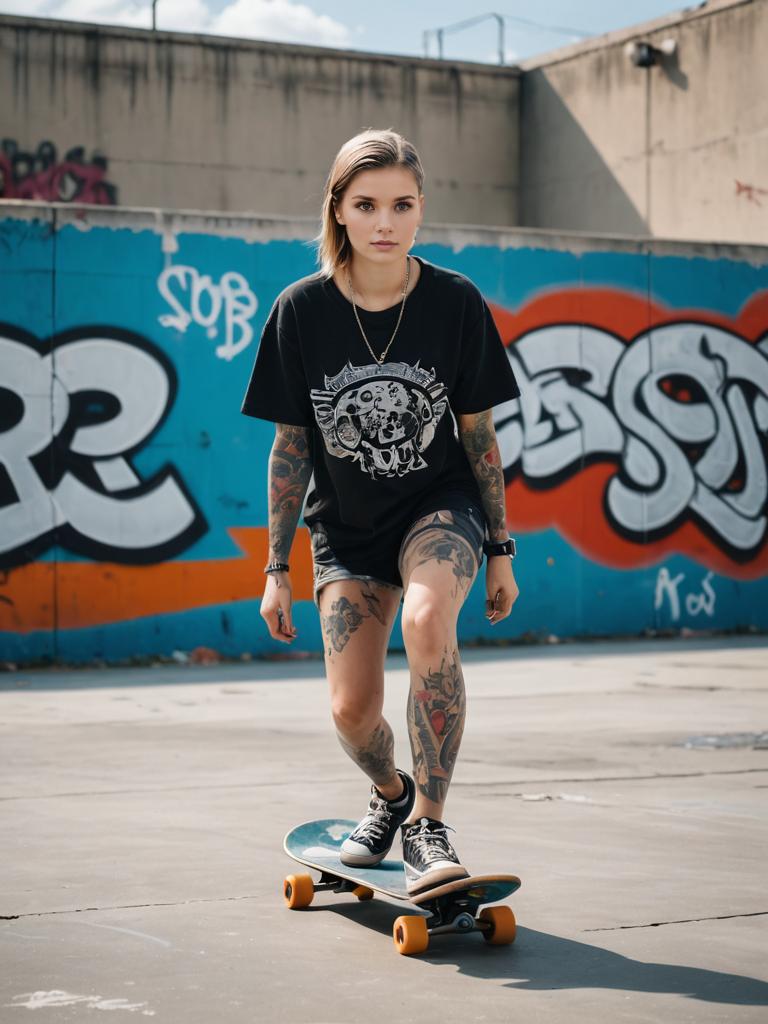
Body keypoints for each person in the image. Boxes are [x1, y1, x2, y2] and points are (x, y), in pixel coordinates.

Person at [241, 128, 520, 896]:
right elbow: (290, 450)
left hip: (441, 507)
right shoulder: (300, 311)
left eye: (401, 204)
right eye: (366, 205)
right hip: (347, 528)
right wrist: (275, 569)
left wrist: (500, 547)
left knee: (428, 620)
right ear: (339, 210)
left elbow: (479, 436)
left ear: (421, 210)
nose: (385, 222)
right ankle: (392, 796)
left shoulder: (455, 302)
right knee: (351, 714)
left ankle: (429, 824)